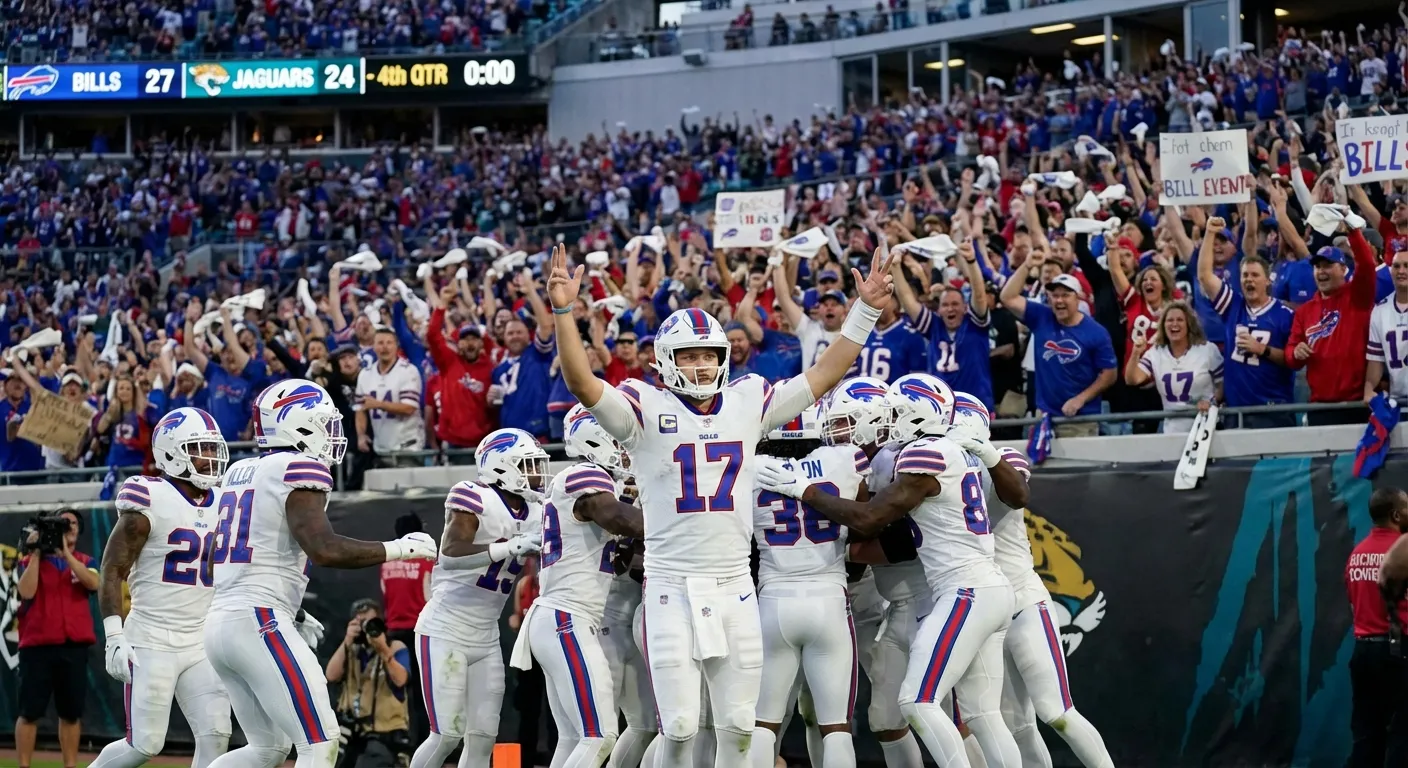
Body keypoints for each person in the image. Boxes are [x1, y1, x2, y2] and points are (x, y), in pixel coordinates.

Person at [546, 242, 895, 765]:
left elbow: (824, 375)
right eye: (690, 355)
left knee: (736, 727)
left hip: (734, 586)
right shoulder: (644, 408)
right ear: (668, 360)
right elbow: (581, 382)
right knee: (682, 727)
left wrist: (864, 310)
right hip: (670, 585)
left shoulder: (747, 400)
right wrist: (562, 312)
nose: (702, 364)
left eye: (709, 354)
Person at [757, 372, 1028, 768]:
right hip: (942, 593)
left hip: (937, 597)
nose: (840, 433)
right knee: (907, 717)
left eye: (850, 422)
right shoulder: (918, 452)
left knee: (923, 704)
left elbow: (882, 531)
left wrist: (807, 498)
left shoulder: (910, 455)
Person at [201, 379, 439, 768]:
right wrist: (397, 548)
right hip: (258, 619)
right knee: (322, 742)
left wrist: (291, 608)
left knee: (267, 749)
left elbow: (217, 558)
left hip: (221, 623)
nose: (332, 433)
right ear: (297, 424)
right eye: (324, 422)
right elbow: (324, 549)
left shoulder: (240, 471)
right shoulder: (295, 468)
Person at [946, 398, 1115, 768]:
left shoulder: (1001, 458)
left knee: (1056, 711)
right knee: (1016, 724)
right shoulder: (940, 467)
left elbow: (1011, 497)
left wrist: (985, 457)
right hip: (983, 611)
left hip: (1022, 602)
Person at [92, 407, 233, 768]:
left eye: (213, 448)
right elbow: (112, 569)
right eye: (201, 448)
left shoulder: (223, 502)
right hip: (151, 638)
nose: (211, 458)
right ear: (171, 452)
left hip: (199, 640)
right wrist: (114, 636)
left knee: (217, 734)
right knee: (143, 745)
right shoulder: (150, 496)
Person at [509, 405, 645, 768]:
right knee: (598, 736)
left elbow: (618, 556)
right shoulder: (583, 475)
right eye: (615, 438)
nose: (622, 447)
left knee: (572, 739)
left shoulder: (583, 482)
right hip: (567, 618)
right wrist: (682, 517)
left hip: (561, 618)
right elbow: (622, 519)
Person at [409, 428, 544, 768]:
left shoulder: (535, 510)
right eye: (526, 465)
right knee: (446, 736)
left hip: (486, 636)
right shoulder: (473, 495)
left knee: (484, 739)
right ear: (500, 466)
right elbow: (451, 553)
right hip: (445, 629)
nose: (535, 474)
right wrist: (509, 546)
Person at [747, 404, 868, 768]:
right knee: (836, 727)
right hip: (829, 596)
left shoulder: (748, 469)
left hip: (773, 600)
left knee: (762, 723)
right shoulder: (845, 459)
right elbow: (864, 522)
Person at [827, 376, 928, 768]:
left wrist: (836, 548)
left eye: (844, 422)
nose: (835, 431)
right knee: (877, 717)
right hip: (870, 597)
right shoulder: (840, 459)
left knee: (952, 711)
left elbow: (902, 542)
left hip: (914, 598)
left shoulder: (895, 459)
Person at [14, 508, 100, 768]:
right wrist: (38, 551)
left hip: (73, 645)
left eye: (72, 523)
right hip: (37, 645)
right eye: (63, 522)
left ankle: (70, 765)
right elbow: (26, 592)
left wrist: (66, 555)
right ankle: (24, 765)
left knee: (71, 713)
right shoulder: (30, 561)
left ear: (78, 529)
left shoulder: (86, 560)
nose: (68, 526)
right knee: (29, 712)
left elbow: (93, 584)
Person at [999, 257, 1118, 438]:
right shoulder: (1042, 316)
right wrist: (1027, 265)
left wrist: (1080, 399)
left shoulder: (1096, 332)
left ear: (1078, 299)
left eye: (1065, 295)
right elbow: (1007, 297)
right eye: (1055, 295)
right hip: (1045, 417)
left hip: (1080, 419)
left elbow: (1110, 374)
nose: (1059, 300)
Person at [1195, 217, 1296, 429]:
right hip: (1236, 410)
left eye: (1254, 275)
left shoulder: (1285, 315)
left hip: (1272, 410)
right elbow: (1205, 275)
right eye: (1244, 276)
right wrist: (1210, 233)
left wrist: (1263, 349)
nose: (1248, 280)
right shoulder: (1233, 305)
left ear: (1268, 281)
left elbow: (1293, 359)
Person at [1285, 219, 1379, 426]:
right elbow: (1291, 355)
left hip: (1357, 405)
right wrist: (1295, 352)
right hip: (1321, 406)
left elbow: (1367, 265)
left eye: (1328, 265)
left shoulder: (1357, 297)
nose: (1321, 271)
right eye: (1317, 266)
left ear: (1343, 269)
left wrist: (1353, 233)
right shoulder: (1305, 311)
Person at [1348, 487, 1408, 768]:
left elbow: (1354, 604)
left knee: (1366, 733)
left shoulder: (1356, 554)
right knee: (1402, 734)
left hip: (1363, 652)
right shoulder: (1401, 555)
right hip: (1396, 651)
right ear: (1397, 514)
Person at [325, 599, 413, 768]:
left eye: (370, 622)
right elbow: (331, 675)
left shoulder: (395, 647)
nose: (366, 628)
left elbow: (401, 679)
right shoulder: (351, 649)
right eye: (360, 622)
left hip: (384, 735)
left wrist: (383, 649)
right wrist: (347, 640)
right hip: (351, 732)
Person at [1123, 302, 1224, 434]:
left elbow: (1223, 384)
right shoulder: (1156, 352)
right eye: (1169, 320)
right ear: (1163, 326)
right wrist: (1136, 353)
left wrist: (1212, 402)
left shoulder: (1207, 350)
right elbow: (1132, 379)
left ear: (1189, 324)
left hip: (1205, 427)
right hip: (1172, 430)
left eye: (1180, 320)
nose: (1174, 324)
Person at [379, 514, 433, 744]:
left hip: (393, 634)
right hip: (420, 632)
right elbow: (430, 596)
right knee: (423, 696)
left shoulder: (386, 563)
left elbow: (385, 595)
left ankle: (398, 744)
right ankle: (423, 745)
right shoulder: (427, 561)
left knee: (397, 694)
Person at [355, 328, 425, 466]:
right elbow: (360, 409)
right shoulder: (365, 374)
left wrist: (378, 404)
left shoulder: (408, 371)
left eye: (389, 343)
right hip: (380, 448)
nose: (385, 347)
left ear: (396, 346)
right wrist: (361, 435)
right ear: (373, 346)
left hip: (408, 446)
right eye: (380, 343)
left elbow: (409, 408)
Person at [1364, 250, 1408, 403]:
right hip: (1398, 401)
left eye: (1406, 266)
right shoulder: (1379, 311)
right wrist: (1368, 389)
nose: (1401, 271)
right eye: (1396, 266)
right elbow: (1376, 360)